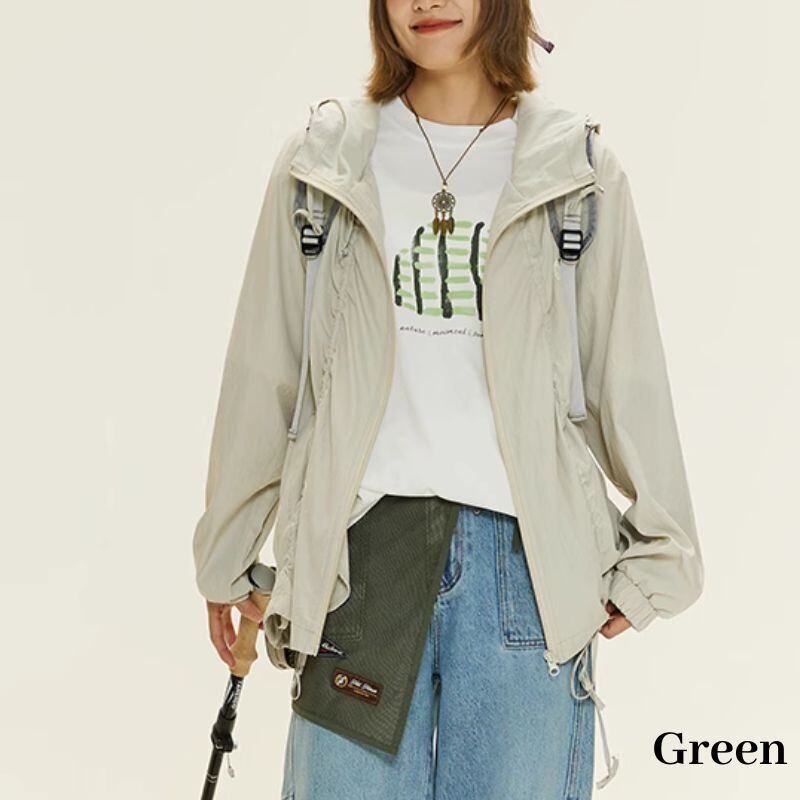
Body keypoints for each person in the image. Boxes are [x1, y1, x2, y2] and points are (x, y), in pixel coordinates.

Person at [193, 1, 705, 797]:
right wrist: (229, 553)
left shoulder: (577, 170)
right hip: (358, 562)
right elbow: (267, 367)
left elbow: (626, 373)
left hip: (524, 573)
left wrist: (660, 558)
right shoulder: (322, 164)